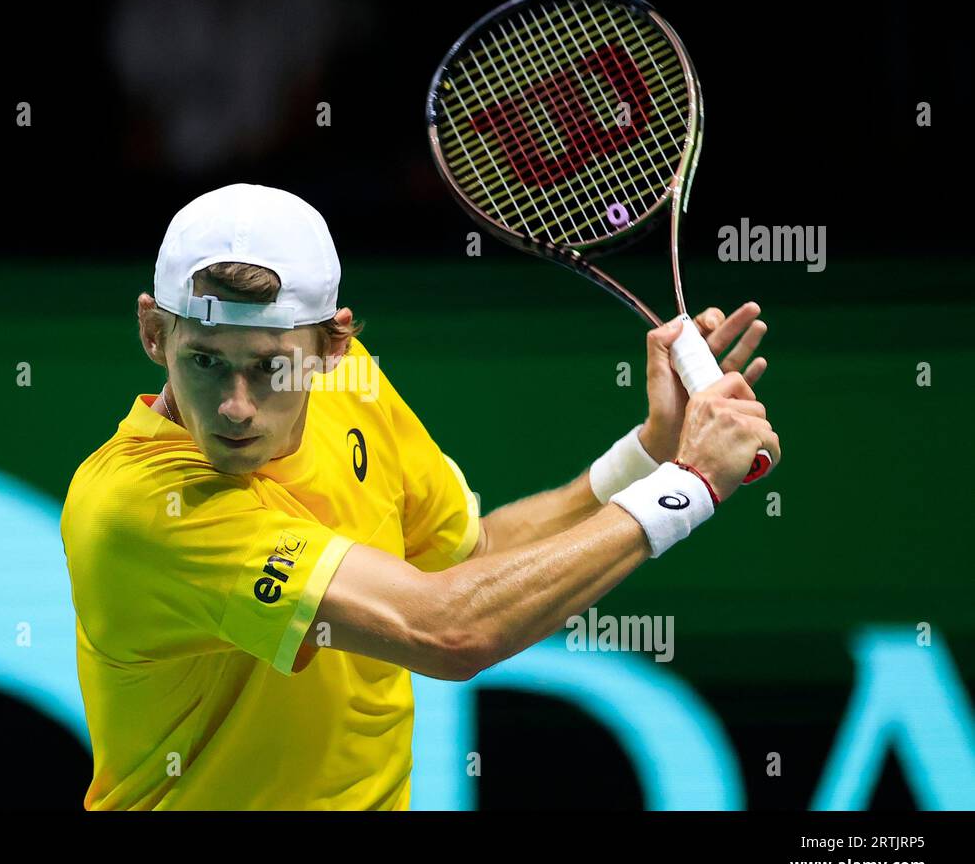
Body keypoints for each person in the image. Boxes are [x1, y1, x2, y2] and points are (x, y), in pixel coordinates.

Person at [60, 182, 780, 809]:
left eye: (269, 368)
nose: (236, 407)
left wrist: (652, 454)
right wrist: (687, 488)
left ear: (333, 347)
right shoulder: (142, 509)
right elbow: (449, 630)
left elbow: (474, 558)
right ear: (155, 332)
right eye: (206, 362)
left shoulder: (352, 386)